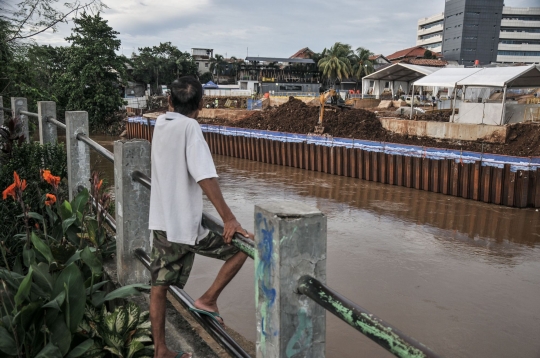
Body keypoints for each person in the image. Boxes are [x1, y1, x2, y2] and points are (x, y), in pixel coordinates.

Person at [149, 76, 252, 358]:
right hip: (185, 227)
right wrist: (229, 219)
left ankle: (161, 350)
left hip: (161, 223)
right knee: (244, 248)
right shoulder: (191, 127)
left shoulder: (160, 123)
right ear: (202, 105)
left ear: (169, 102)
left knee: (158, 287)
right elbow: (204, 175)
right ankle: (208, 299)